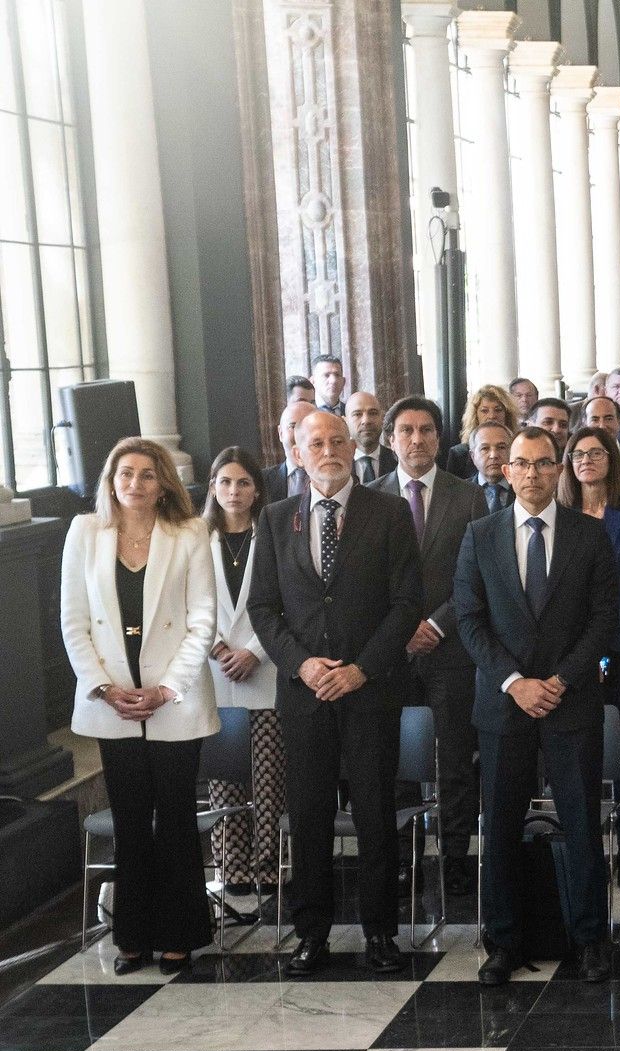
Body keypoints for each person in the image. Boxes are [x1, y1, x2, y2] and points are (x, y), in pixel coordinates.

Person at [248, 409, 423, 976]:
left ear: (353, 446)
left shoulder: (390, 512)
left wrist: (361, 669)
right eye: (315, 442)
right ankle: (311, 933)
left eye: (337, 440)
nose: (328, 451)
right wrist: (302, 666)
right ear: (296, 453)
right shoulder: (274, 520)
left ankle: (380, 934)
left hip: (370, 691)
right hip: (304, 695)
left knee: (375, 813)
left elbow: (406, 604)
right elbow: (263, 608)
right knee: (310, 814)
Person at [453, 425, 619, 986]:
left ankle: (592, 939)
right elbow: (469, 620)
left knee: (580, 823)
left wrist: (560, 679)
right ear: (505, 470)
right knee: (499, 825)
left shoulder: (588, 535)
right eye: (521, 464)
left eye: (543, 464)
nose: (531, 474)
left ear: (560, 468)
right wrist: (514, 682)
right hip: (503, 706)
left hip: (571, 703)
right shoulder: (480, 534)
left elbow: (603, 617)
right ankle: (502, 942)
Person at [61, 438, 220, 974]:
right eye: (125, 473)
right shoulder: (85, 532)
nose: (135, 483)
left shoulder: (190, 532)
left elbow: (202, 621)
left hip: (174, 701)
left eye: (147, 475)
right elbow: (73, 622)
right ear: (110, 480)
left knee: (175, 818)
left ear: (163, 484)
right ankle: (131, 938)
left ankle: (180, 935)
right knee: (130, 820)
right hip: (112, 701)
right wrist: (104, 687)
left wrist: (167, 688)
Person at [370, 397, 490, 892]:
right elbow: (365, 583)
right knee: (392, 757)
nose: (416, 440)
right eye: (406, 431)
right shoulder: (371, 497)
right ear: (391, 439)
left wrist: (436, 625)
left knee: (455, 757)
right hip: (390, 654)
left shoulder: (468, 497)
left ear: (440, 438)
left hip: (451, 648)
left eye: (425, 431)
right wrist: (400, 630)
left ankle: (456, 853)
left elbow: (476, 574)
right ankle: (405, 856)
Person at [560, 425, 620, 889]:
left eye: (595, 453)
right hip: (573, 652)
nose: (586, 461)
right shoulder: (559, 513)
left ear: (611, 460)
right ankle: (585, 851)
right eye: (577, 454)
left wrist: (600, 627)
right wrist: (582, 637)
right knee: (582, 751)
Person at [202, 449, 284, 901]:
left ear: (257, 489)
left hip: (265, 668)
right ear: (213, 487)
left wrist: (252, 651)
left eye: (243, 483)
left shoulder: (271, 533)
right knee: (224, 776)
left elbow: (285, 601)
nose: (234, 491)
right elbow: (190, 602)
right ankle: (231, 867)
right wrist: (217, 647)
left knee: (269, 776)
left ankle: (269, 867)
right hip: (215, 672)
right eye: (225, 482)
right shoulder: (197, 538)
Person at [446, 384, 516, 480]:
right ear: (475, 415)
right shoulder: (459, 454)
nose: (492, 416)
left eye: (498, 410)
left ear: (506, 414)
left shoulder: (518, 448)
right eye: (484, 411)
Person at [471, 421, 514, 513]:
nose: (493, 455)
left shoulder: (523, 487)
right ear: (473, 456)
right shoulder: (459, 493)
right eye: (485, 448)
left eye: (501, 447)